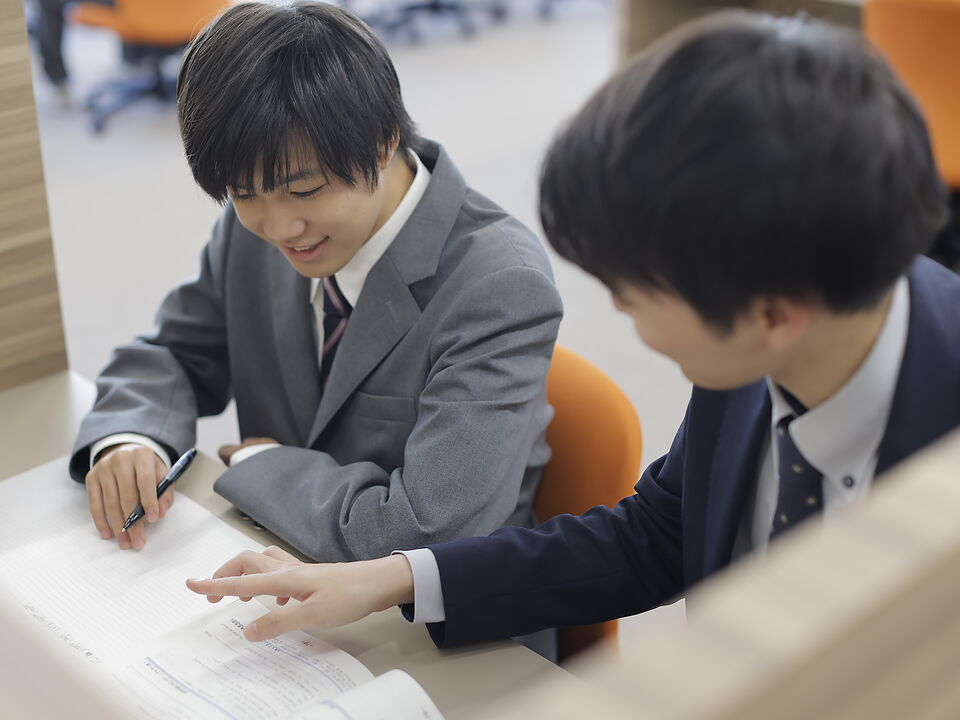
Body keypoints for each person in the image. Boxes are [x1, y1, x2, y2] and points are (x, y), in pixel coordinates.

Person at [186, 10, 960, 646]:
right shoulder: (764, 342)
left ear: (774, 315)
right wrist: (395, 577)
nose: (615, 313)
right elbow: (657, 537)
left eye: (630, 293)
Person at [70, 2, 563, 567]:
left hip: (428, 630)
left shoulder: (499, 286)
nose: (278, 228)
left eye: (304, 192)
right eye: (243, 192)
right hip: (272, 569)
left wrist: (265, 470)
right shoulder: (253, 227)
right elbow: (174, 353)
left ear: (382, 142)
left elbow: (432, 532)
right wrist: (132, 438)